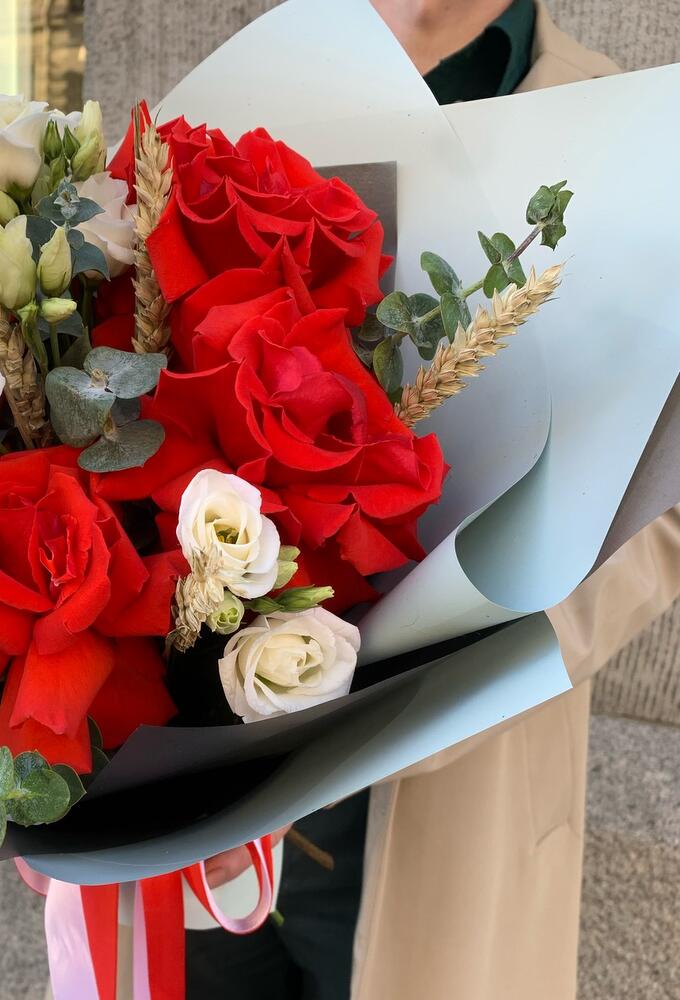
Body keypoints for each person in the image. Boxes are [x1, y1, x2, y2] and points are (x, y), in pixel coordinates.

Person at [188, 3, 680, 999]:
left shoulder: (630, 124)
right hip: (196, 788)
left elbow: (663, 508)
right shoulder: (252, 81)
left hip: (449, 782)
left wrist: (466, 666)